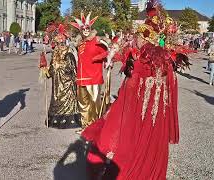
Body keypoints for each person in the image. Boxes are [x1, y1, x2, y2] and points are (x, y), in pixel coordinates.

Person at [81, 2, 191, 179]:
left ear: (146, 38)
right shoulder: (163, 58)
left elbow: (132, 87)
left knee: (130, 146)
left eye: (138, 37)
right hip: (156, 117)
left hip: (140, 115)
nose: (136, 41)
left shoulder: (145, 58)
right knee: (151, 144)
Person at [70, 12, 112, 130]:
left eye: (87, 28)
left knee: (95, 103)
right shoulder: (80, 43)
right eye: (83, 29)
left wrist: (98, 58)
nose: (85, 30)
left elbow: (109, 52)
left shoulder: (97, 41)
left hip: (94, 78)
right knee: (83, 104)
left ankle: (95, 127)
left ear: (90, 29)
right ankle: (85, 126)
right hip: (81, 78)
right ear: (80, 31)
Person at [42, 24, 81, 129]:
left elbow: (73, 69)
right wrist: (46, 70)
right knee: (57, 99)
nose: (60, 45)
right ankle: (56, 120)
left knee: (68, 101)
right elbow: (51, 67)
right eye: (58, 43)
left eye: (62, 43)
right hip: (57, 83)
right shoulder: (55, 53)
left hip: (67, 83)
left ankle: (70, 120)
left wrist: (61, 68)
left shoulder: (69, 53)